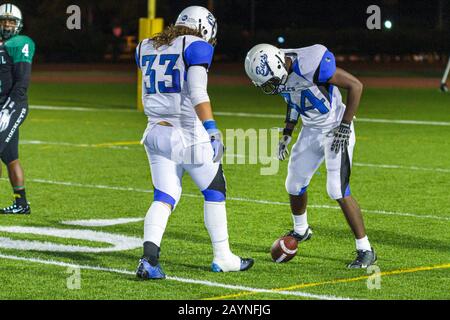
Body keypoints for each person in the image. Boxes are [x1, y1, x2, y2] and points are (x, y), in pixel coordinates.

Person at [134, 6, 254, 279]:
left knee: (164, 196)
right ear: (204, 27)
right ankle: (223, 257)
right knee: (214, 189)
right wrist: (211, 129)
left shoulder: (145, 46)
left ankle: (149, 260)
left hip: (155, 133)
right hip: (187, 132)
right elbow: (198, 92)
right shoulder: (196, 45)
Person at [244, 43, 377, 268]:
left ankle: (365, 248)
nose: (272, 87)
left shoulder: (312, 62)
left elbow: (356, 85)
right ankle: (301, 230)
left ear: (278, 66)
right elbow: (294, 100)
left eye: (272, 81)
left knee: (337, 188)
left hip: (336, 128)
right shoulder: (281, 71)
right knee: (293, 184)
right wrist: (287, 132)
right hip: (311, 129)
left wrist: (345, 125)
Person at [0, 3, 35, 215]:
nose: (6, 24)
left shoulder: (20, 43)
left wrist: (7, 109)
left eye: (11, 21)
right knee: (10, 156)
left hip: (12, 105)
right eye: (3, 20)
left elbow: (22, 84)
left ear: (18, 24)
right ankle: (21, 204)